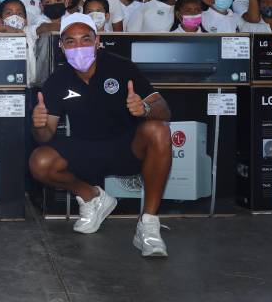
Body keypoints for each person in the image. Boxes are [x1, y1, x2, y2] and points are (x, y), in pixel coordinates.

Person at [30, 13, 172, 257]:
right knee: (39, 162)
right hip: (84, 148)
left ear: (98, 41)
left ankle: (148, 224)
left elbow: (165, 110)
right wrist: (40, 124)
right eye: (71, 42)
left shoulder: (122, 67)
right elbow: (45, 136)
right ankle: (93, 197)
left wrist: (145, 108)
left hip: (125, 146)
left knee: (159, 130)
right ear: (61, 47)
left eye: (86, 39)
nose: (79, 47)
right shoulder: (56, 81)